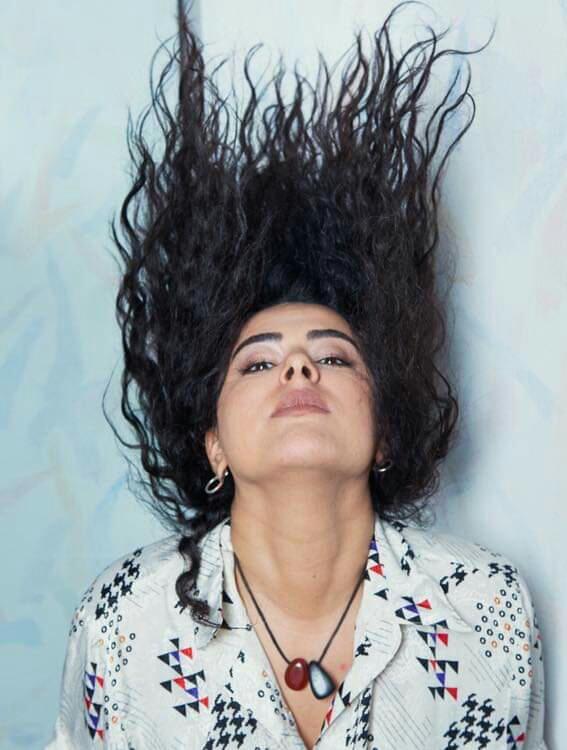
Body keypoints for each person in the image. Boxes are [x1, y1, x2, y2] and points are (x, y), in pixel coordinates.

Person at [46, 1, 548, 748]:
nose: (299, 365)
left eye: (335, 355)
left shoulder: (488, 608)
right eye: (257, 361)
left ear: (385, 430)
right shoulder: (122, 622)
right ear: (213, 443)